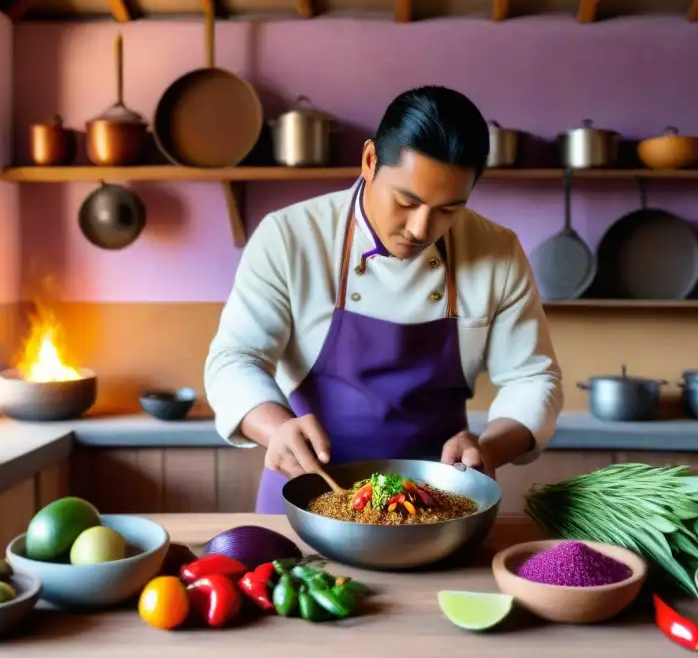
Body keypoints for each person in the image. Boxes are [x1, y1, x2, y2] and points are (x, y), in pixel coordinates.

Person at [204, 85, 563, 514]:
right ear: (370, 159)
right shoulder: (290, 237)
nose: (420, 228)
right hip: (308, 492)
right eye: (406, 200)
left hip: (437, 504)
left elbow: (533, 378)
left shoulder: (497, 251)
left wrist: (488, 448)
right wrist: (276, 428)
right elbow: (234, 358)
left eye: (449, 209)